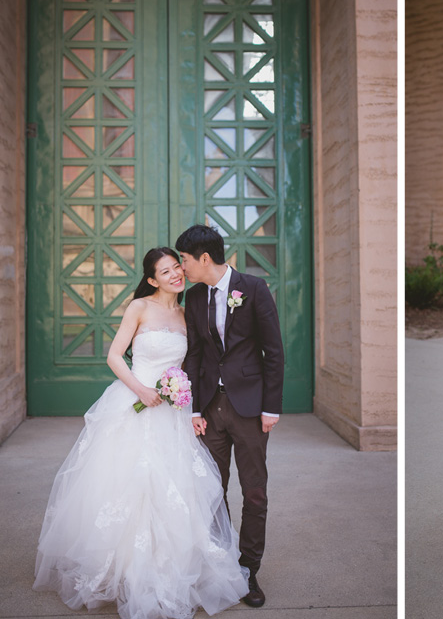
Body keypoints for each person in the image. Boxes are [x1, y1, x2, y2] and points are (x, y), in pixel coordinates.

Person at [34, 247, 249, 619]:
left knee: (174, 489)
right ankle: (124, 571)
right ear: (152, 279)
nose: (175, 276)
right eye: (165, 272)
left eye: (176, 269)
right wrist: (142, 390)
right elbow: (115, 356)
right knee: (129, 485)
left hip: (173, 410)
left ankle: (169, 567)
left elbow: (191, 364)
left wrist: (185, 399)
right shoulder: (139, 308)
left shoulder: (186, 314)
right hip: (135, 401)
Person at [176, 224, 284, 608]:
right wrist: (191, 409)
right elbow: (194, 354)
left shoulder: (253, 288)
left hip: (252, 409)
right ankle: (218, 571)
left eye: (185, 260)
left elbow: (274, 350)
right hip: (210, 409)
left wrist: (271, 407)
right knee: (211, 492)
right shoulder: (192, 297)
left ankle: (249, 571)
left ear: (204, 258)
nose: (181, 266)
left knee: (254, 492)